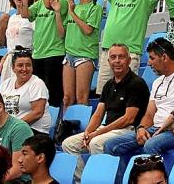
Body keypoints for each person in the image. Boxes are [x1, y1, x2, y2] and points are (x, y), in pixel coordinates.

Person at [104, 38, 174, 183]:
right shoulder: (157, 82)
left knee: (151, 145)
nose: (149, 63)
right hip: (156, 129)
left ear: (164, 57)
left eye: (152, 58)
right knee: (111, 145)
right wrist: (141, 128)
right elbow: (149, 114)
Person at [61, 44, 150, 183]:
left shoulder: (136, 83)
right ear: (108, 62)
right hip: (107, 129)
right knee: (69, 144)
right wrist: (87, 133)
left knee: (96, 143)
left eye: (121, 57)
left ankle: (102, 180)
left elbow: (128, 118)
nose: (117, 61)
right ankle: (85, 179)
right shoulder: (109, 84)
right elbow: (99, 113)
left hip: (128, 130)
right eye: (113, 57)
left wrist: (96, 134)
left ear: (129, 60)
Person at [19, 0, 68, 108]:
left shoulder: (64, 1)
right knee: (37, 96)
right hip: (38, 54)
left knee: (53, 97)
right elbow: (24, 14)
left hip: (55, 53)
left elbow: (49, 4)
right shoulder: (39, 3)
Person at [59, 0, 102, 107]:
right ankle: (65, 126)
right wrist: (57, 13)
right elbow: (62, 33)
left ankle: (84, 127)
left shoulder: (95, 8)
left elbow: (88, 30)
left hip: (85, 55)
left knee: (81, 97)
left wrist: (72, 13)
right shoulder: (73, 7)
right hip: (69, 55)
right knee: (67, 98)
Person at [0, 49, 52, 135]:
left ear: (32, 67)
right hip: (10, 129)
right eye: (20, 65)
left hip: (33, 130)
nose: (24, 69)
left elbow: (37, 113)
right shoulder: (6, 83)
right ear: (13, 68)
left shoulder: (37, 84)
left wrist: (13, 126)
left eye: (28, 65)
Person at [0, 0, 34, 84]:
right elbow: (11, 42)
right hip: (10, 59)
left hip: (24, 60)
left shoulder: (32, 16)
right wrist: (5, 57)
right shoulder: (12, 17)